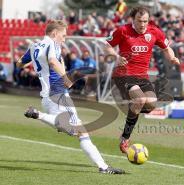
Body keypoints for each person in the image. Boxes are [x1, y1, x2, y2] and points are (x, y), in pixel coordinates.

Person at [16, 20, 125, 174]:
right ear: (54, 34)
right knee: (80, 131)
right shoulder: (53, 44)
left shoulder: (34, 46)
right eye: (63, 35)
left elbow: (19, 63)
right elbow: (53, 61)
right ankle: (104, 167)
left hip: (46, 97)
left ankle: (38, 114)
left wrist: (36, 64)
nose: (64, 39)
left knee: (72, 129)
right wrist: (66, 78)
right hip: (59, 93)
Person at [104, 6, 180, 154]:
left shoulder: (154, 32)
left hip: (142, 76)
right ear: (133, 19)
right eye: (140, 21)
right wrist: (116, 57)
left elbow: (166, 47)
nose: (143, 24)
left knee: (151, 104)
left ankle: (133, 109)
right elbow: (107, 45)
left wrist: (172, 57)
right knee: (139, 100)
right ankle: (125, 138)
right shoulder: (123, 30)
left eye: (145, 21)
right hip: (123, 74)